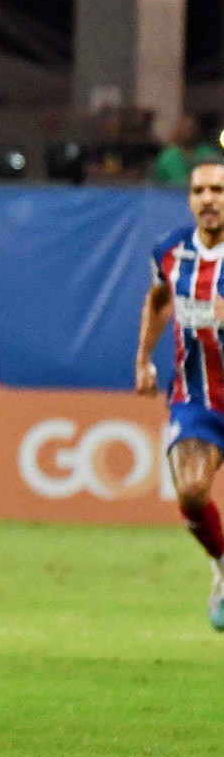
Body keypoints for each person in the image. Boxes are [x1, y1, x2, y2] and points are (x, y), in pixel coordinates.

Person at [135, 159, 224, 629]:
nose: (208, 199)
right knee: (191, 493)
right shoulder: (169, 252)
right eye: (199, 191)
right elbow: (158, 299)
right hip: (199, 399)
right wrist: (143, 358)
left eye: (218, 190)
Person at [153, 115, 206, 187]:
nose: (187, 133)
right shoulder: (168, 156)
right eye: (184, 129)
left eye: (191, 129)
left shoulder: (207, 153)